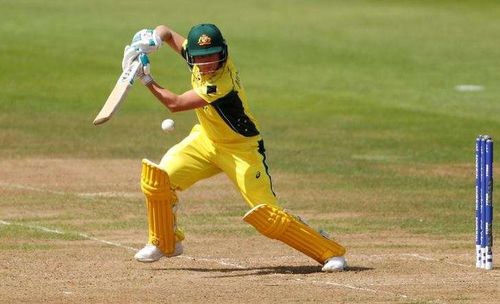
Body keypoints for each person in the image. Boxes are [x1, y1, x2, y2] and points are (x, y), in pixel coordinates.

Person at [121, 24, 347, 272]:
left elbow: (175, 104)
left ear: (223, 53)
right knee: (158, 180)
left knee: (268, 217)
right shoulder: (197, 57)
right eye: (200, 57)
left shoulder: (221, 81)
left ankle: (329, 250)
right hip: (206, 141)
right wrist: (151, 39)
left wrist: (145, 77)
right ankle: (165, 242)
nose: (207, 63)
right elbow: (165, 31)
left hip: (242, 150)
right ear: (191, 56)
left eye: (213, 55)